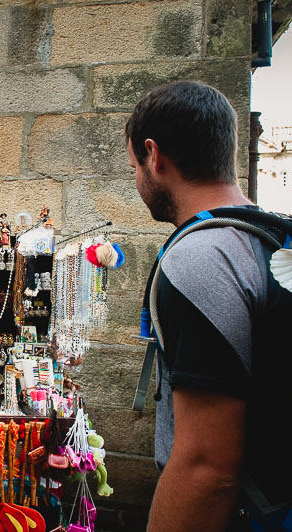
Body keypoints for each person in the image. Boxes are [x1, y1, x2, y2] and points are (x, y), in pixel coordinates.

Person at [127, 81, 292, 531]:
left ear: (153, 156)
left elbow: (207, 467)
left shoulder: (203, 258)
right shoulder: (272, 237)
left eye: (134, 166)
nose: (137, 180)